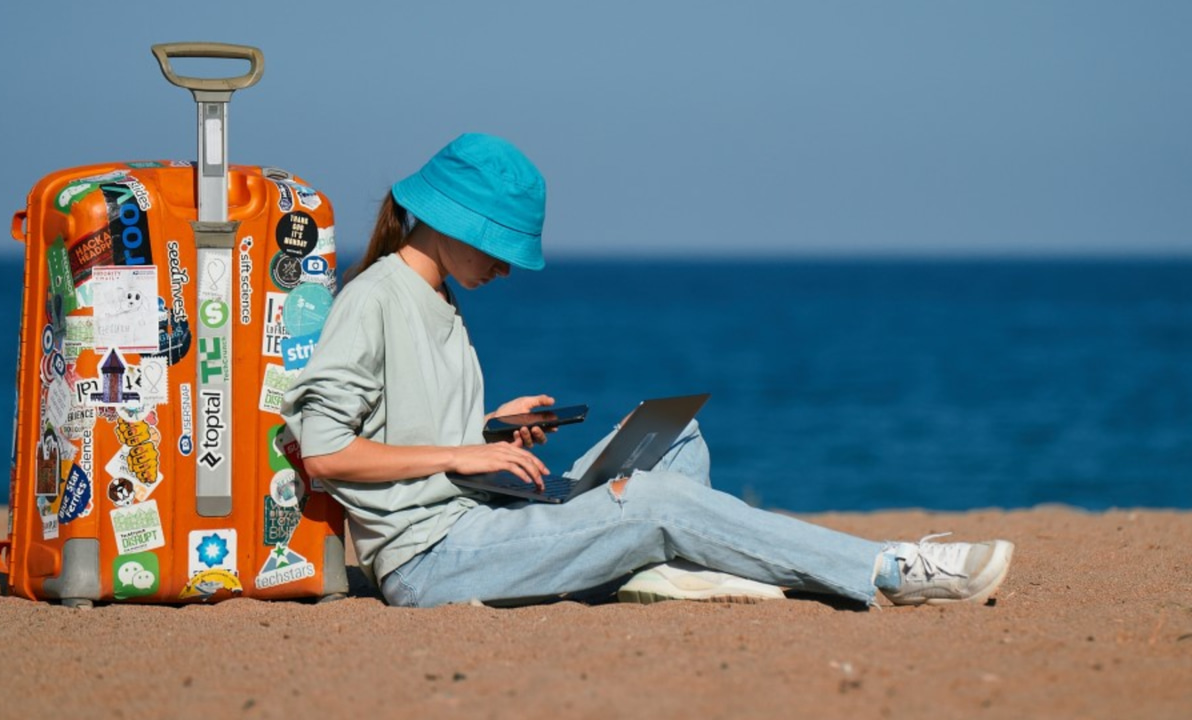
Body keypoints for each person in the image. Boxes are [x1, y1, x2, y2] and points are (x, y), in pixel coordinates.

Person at [281, 133, 1014, 609]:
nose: (505, 266)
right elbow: (327, 450)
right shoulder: (376, 297)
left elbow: (401, 425)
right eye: (498, 247)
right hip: (433, 558)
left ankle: (647, 571)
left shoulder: (435, 295)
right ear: (448, 222)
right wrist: (461, 451)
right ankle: (891, 569)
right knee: (657, 503)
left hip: (482, 513)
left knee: (676, 439)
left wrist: (489, 427)